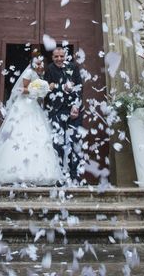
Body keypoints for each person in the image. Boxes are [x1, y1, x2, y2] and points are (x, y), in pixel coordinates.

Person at [0, 57, 63, 185]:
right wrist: (34, 90)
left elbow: (36, 92)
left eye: (41, 63)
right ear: (32, 63)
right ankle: (14, 172)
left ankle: (37, 172)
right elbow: (20, 89)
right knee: (20, 133)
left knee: (37, 135)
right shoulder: (29, 73)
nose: (40, 65)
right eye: (38, 63)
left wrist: (43, 90)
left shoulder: (38, 74)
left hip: (34, 106)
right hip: (25, 106)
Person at [44, 47, 84, 185]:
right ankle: (59, 176)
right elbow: (46, 88)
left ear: (65, 56)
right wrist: (61, 87)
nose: (59, 59)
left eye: (62, 56)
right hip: (57, 111)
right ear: (52, 57)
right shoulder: (49, 69)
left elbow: (79, 87)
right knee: (58, 144)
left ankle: (75, 177)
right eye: (56, 57)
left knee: (74, 143)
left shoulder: (73, 67)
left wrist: (76, 106)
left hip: (74, 111)